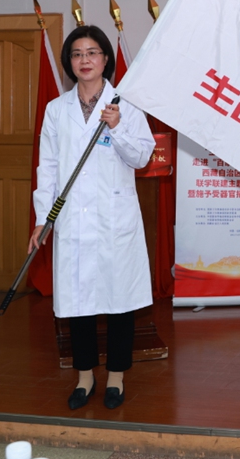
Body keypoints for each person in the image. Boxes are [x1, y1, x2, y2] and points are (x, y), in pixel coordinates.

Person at [30, 25, 155, 411]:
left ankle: (116, 376)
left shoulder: (127, 104)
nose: (85, 61)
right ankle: (85, 377)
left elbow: (142, 157)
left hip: (114, 217)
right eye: (77, 54)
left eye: (92, 53)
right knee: (77, 302)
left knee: (120, 301)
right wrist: (41, 219)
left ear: (105, 59)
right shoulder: (57, 109)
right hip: (71, 221)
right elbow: (47, 167)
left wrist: (116, 128)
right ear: (70, 62)